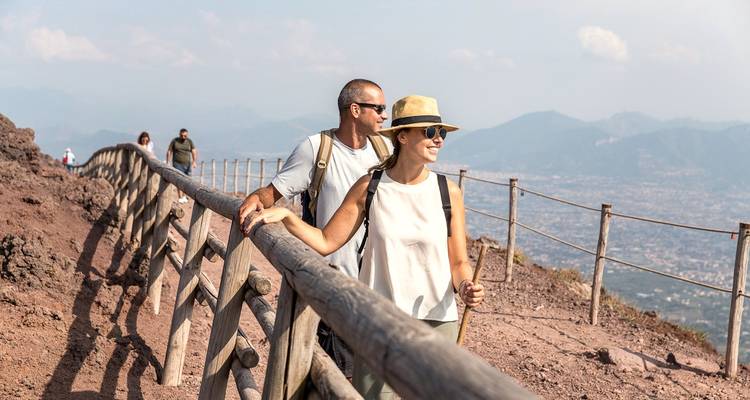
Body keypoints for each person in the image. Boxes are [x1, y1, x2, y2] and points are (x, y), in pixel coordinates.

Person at [245, 95, 485, 399]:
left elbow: (459, 262)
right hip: (379, 320)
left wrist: (466, 285)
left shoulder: (448, 191)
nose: (438, 140)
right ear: (402, 136)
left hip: (438, 321)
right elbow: (326, 240)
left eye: (442, 133)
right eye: (429, 132)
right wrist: (287, 217)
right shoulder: (369, 187)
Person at [237, 79, 391, 378]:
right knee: (336, 377)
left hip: (376, 288)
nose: (384, 115)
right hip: (332, 282)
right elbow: (275, 191)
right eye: (379, 108)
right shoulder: (316, 149)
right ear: (355, 110)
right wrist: (257, 199)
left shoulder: (385, 151)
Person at [166, 128, 197, 203]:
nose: (183, 137)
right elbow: (169, 150)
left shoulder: (189, 141)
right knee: (179, 180)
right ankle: (180, 196)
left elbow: (194, 151)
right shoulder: (175, 141)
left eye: (185, 136)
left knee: (187, 181)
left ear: (187, 135)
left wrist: (194, 161)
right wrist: (168, 161)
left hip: (187, 164)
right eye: (182, 135)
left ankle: (183, 196)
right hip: (177, 163)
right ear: (179, 135)